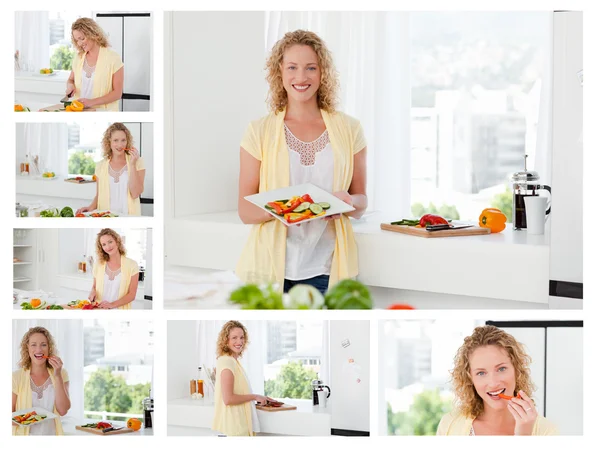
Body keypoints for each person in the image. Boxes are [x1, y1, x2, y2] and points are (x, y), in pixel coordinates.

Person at [236, 30, 368, 295]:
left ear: (323, 73)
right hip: (267, 269)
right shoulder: (258, 131)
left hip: (326, 269)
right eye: (292, 67)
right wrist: (290, 209)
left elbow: (361, 200)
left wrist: (346, 202)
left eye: (311, 68)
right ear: (279, 73)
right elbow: (245, 210)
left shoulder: (350, 129)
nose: (301, 77)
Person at [437, 325, 558, 435]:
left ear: (516, 369)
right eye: (481, 373)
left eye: (501, 369)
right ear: (470, 378)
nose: (493, 383)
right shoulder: (449, 425)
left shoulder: (546, 431)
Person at [212, 321, 275, 436]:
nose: (239, 341)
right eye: (234, 338)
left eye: (242, 337)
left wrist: (260, 398)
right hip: (236, 426)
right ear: (226, 340)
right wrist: (255, 396)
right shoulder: (226, 362)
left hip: (239, 424)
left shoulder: (233, 361)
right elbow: (228, 399)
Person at [76, 123, 145, 216]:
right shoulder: (100, 166)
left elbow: (135, 193)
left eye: (123, 140)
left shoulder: (138, 162)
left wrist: (132, 165)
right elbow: (99, 195)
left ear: (127, 141)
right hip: (107, 216)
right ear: (109, 142)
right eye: (115, 140)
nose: (120, 145)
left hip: (129, 217)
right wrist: (90, 207)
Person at [12, 327, 70, 436]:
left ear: (49, 348)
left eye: (43, 345)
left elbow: (62, 411)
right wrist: (26, 419)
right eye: (33, 345)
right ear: (27, 348)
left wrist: (57, 376)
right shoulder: (15, 377)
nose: (39, 350)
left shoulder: (62, 373)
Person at [66, 18, 124, 111]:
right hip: (79, 111)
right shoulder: (79, 57)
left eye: (82, 38)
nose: (80, 43)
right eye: (77, 40)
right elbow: (70, 79)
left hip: (103, 113)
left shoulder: (113, 58)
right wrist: (70, 85)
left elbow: (117, 93)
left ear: (92, 34)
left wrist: (91, 102)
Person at [87, 228, 140, 310]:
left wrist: (112, 305)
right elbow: (94, 286)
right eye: (104, 244)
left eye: (110, 242)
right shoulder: (98, 264)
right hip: (100, 310)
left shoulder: (132, 265)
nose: (108, 247)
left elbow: (132, 294)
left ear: (117, 241)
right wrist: (92, 291)